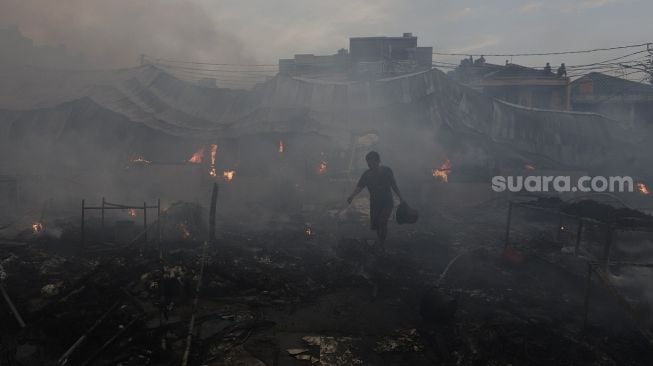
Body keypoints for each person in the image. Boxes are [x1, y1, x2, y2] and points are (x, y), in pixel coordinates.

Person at [347, 151, 404, 248]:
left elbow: (393, 185)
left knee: (382, 221)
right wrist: (352, 196)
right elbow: (360, 187)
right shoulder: (366, 175)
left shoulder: (387, 171)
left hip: (387, 202)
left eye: (372, 162)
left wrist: (401, 197)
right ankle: (381, 240)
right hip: (375, 203)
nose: (370, 164)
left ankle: (382, 243)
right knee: (377, 224)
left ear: (378, 161)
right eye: (368, 162)